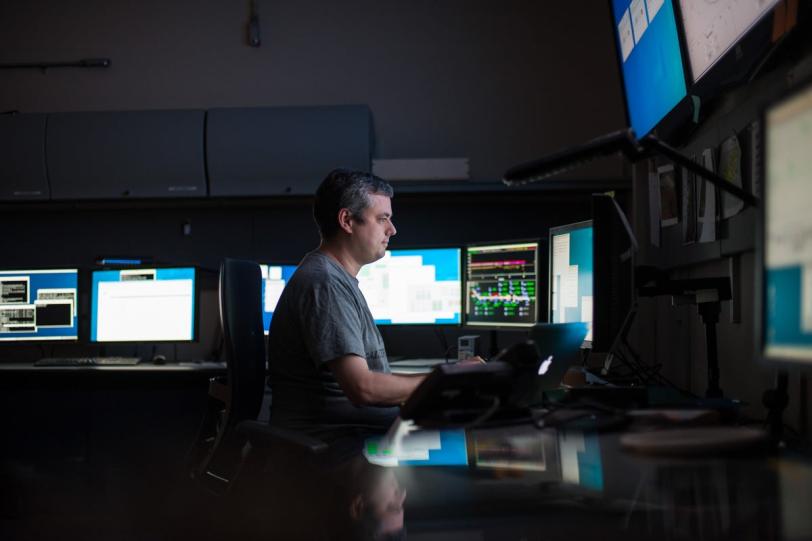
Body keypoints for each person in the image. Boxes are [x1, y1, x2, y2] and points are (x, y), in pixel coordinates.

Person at [268, 168, 481, 442]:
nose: (392, 230)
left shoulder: (334, 278)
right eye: (383, 219)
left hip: (359, 434)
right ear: (347, 220)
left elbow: (372, 380)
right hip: (338, 447)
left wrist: (447, 379)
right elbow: (363, 388)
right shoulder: (325, 283)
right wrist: (450, 380)